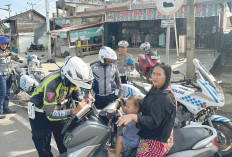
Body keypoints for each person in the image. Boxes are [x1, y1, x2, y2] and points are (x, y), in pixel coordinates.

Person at [29, 56, 93, 157]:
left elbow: (76, 94)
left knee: (65, 143)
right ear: (67, 77)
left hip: (59, 108)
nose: (74, 85)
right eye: (74, 83)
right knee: (43, 147)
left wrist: (84, 99)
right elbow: (50, 114)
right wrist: (73, 111)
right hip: (40, 114)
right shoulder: (52, 84)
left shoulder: (71, 80)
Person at [116, 62, 177, 157]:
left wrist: (133, 116)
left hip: (157, 140)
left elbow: (153, 121)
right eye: (154, 73)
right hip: (153, 133)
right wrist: (126, 101)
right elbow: (145, 103)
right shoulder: (157, 89)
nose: (155, 77)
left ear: (166, 77)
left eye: (159, 74)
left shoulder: (164, 97)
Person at [0, 36, 17, 119]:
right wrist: (8, 54)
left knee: (7, 93)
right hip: (1, 76)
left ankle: (6, 108)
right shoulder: (2, 53)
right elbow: (3, 55)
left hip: (8, 75)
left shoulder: (7, 52)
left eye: (5, 44)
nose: (4, 46)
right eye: (2, 44)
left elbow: (13, 58)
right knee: (2, 94)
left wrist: (17, 57)